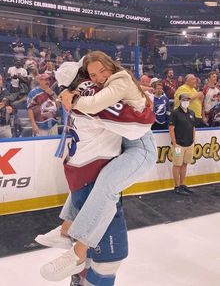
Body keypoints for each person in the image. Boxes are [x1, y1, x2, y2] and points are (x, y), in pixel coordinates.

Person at [40, 51, 157, 281]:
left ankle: (78, 252)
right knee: (93, 183)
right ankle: (66, 228)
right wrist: (67, 91)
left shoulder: (120, 79)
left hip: (140, 148)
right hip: (125, 144)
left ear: (111, 65)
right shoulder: (97, 85)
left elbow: (94, 105)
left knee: (105, 184)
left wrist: (71, 98)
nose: (99, 77)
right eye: (92, 74)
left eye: (102, 71)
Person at [169, 93, 196, 196]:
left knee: (185, 164)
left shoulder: (192, 113)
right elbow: (171, 129)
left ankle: (182, 184)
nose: (186, 101)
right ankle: (176, 186)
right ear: (180, 100)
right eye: (184, 99)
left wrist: (193, 139)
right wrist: (175, 143)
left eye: (188, 99)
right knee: (177, 165)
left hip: (189, 144)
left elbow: (193, 127)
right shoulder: (175, 113)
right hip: (178, 145)